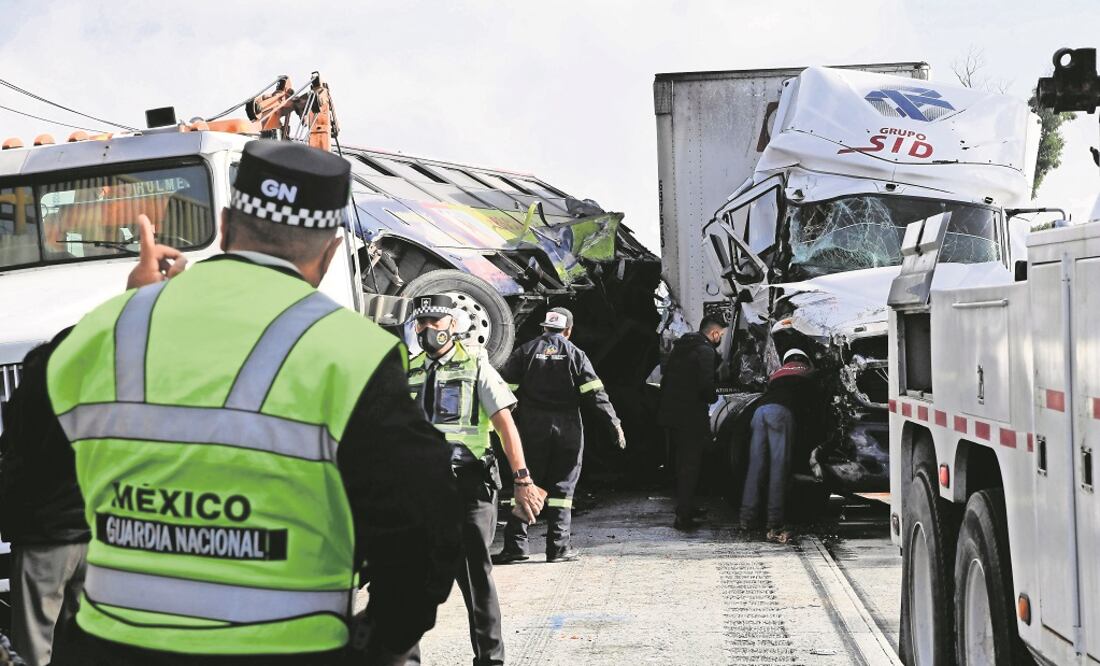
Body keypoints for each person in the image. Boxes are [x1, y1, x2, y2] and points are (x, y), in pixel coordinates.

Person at [5, 139, 462, 665]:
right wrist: (373, 645)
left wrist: (136, 303)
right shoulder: (354, 354)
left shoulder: (98, 336)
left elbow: (27, 496)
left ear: (224, 226)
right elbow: (423, 529)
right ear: (330, 252)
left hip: (111, 649)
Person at [407, 295, 544, 666]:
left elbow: (504, 425)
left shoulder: (475, 366)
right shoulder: (410, 370)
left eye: (435, 321)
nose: (427, 330)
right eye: (421, 323)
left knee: (474, 575)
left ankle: (490, 659)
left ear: (452, 324)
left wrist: (522, 479)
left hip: (469, 486)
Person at [492, 307, 624, 565]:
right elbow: (595, 394)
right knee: (563, 486)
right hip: (568, 427)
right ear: (568, 331)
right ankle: (558, 547)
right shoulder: (576, 354)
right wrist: (614, 425)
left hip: (531, 427)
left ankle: (516, 545)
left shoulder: (525, 351)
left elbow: (505, 394)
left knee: (526, 482)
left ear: (544, 328)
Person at [0, 336, 89, 666]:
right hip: (94, 529)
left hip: (44, 534)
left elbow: (18, 455)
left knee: (33, 645)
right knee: (92, 640)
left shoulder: (34, 399)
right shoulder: (94, 395)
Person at [740, 348, 818, 543]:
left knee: (756, 467)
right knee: (778, 468)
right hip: (781, 414)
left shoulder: (777, 374)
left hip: (759, 412)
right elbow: (813, 411)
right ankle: (774, 523)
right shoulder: (808, 372)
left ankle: (747, 519)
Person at [658, 316, 727, 531]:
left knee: (682, 463)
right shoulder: (705, 352)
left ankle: (687, 506)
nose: (721, 339)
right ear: (715, 334)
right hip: (691, 416)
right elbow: (705, 387)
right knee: (691, 464)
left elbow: (666, 379)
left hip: (671, 415)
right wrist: (715, 397)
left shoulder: (682, 347)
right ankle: (684, 516)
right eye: (721, 335)